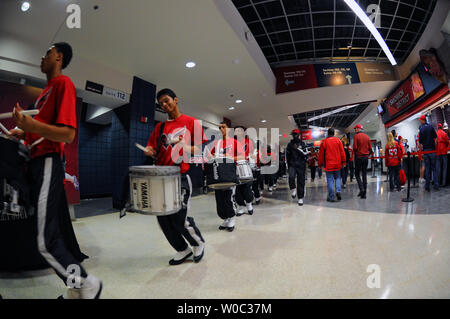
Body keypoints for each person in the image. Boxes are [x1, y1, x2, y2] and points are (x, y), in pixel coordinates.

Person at [8, 42, 102, 299]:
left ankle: (84, 283)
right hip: (38, 162)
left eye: (47, 53)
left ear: (58, 57)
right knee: (49, 233)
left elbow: (68, 135)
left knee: (44, 241)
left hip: (48, 161)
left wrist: (31, 126)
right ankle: (78, 288)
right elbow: (41, 129)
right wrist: (24, 130)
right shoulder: (43, 93)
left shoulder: (63, 84)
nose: (42, 57)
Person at [145, 88, 206, 265]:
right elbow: (153, 149)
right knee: (162, 218)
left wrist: (186, 148)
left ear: (176, 99)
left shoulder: (191, 122)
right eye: (161, 103)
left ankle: (198, 243)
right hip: (160, 177)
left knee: (180, 217)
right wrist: (150, 151)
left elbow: (201, 148)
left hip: (180, 176)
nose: (164, 105)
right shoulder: (160, 127)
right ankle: (182, 249)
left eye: (166, 100)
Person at [206, 121, 244, 232]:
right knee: (219, 199)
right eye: (219, 127)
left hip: (230, 174)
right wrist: (210, 156)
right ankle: (225, 218)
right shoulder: (217, 144)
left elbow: (242, 157)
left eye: (223, 127)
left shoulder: (235, 142)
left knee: (229, 197)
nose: (221, 129)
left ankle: (232, 217)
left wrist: (230, 157)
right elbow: (211, 155)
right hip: (218, 175)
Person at [318, 128, 346, 202]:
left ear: (328, 133)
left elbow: (321, 155)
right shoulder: (338, 141)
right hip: (337, 164)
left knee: (330, 180)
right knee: (338, 178)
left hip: (328, 165)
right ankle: (338, 191)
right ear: (334, 133)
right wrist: (343, 162)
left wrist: (320, 164)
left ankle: (331, 197)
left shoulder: (324, 142)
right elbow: (342, 152)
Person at [234, 126, 254, 216]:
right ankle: (241, 207)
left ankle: (249, 204)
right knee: (237, 188)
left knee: (246, 187)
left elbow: (251, 153)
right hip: (234, 166)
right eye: (235, 131)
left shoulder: (248, 142)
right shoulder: (232, 142)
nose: (237, 132)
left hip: (245, 166)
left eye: (239, 131)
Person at [286, 129, 308, 206]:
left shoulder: (303, 143)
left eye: (295, 134)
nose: (294, 135)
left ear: (298, 135)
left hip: (301, 165)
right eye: (293, 134)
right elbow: (287, 156)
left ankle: (300, 198)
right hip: (292, 164)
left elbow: (305, 154)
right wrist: (287, 166)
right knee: (291, 177)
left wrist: (298, 149)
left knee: (301, 181)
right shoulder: (289, 144)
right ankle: (293, 189)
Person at [418, 114, 439, 191]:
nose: (420, 121)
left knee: (427, 168)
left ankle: (427, 186)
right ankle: (436, 185)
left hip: (426, 151)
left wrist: (421, 152)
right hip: (432, 150)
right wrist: (435, 147)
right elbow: (436, 138)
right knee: (434, 168)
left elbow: (420, 143)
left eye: (420, 120)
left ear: (423, 120)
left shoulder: (421, 129)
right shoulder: (431, 127)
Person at [353, 123, 373, 199]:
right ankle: (364, 193)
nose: (355, 130)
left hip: (359, 157)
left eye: (356, 128)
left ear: (359, 129)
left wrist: (357, 152)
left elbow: (355, 147)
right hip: (365, 158)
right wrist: (368, 153)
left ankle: (361, 189)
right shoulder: (367, 136)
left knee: (357, 174)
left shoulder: (356, 136)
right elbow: (370, 148)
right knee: (364, 174)